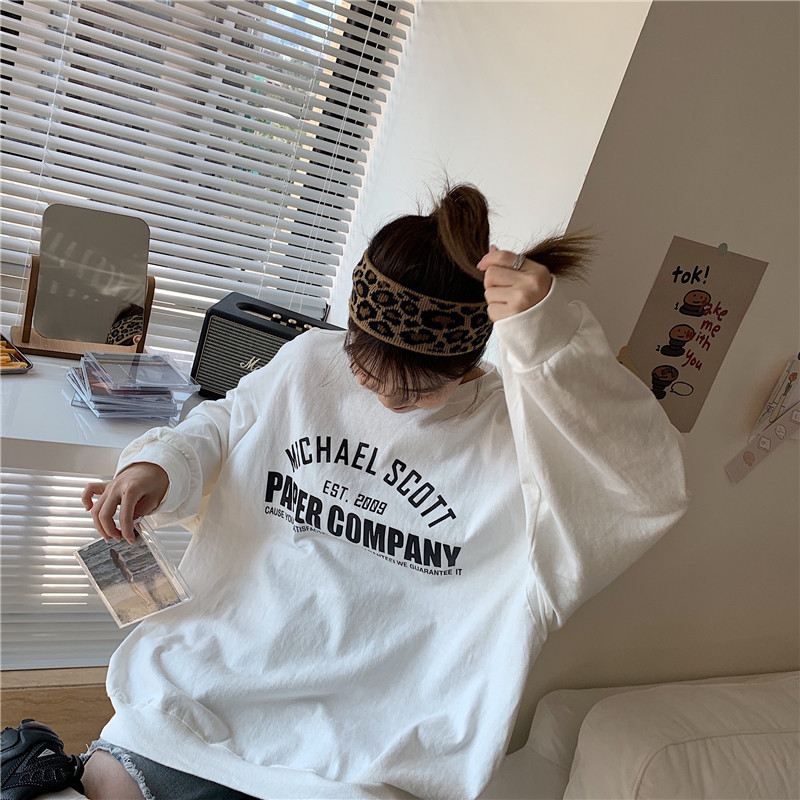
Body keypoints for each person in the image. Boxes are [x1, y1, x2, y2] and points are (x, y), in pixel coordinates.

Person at [4, 184, 689, 800]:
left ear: (466, 362)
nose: (389, 398)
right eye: (367, 373)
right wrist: (156, 466)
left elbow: (639, 489)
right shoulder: (311, 362)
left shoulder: (518, 439)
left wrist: (551, 344)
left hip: (362, 755)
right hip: (208, 693)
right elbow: (228, 422)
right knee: (106, 782)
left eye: (417, 389)